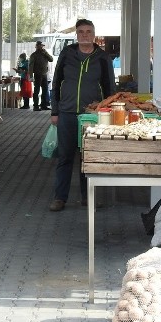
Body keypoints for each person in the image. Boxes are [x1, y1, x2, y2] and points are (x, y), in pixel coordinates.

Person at [50, 19, 115, 212]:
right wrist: (55, 111)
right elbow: (56, 83)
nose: (85, 35)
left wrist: (108, 112)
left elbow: (110, 87)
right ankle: (59, 198)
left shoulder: (103, 57)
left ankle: (88, 197)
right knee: (65, 157)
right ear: (76, 34)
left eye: (88, 31)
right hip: (67, 113)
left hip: (91, 116)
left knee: (88, 158)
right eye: (81, 32)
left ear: (94, 34)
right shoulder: (67, 54)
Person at [29, 40, 53, 111]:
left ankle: (43, 105)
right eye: (40, 45)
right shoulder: (34, 55)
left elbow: (51, 59)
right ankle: (35, 106)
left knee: (45, 90)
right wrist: (31, 76)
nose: (41, 47)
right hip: (37, 74)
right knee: (37, 90)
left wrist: (45, 53)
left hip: (44, 74)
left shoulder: (44, 54)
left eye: (42, 46)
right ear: (36, 46)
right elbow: (30, 66)